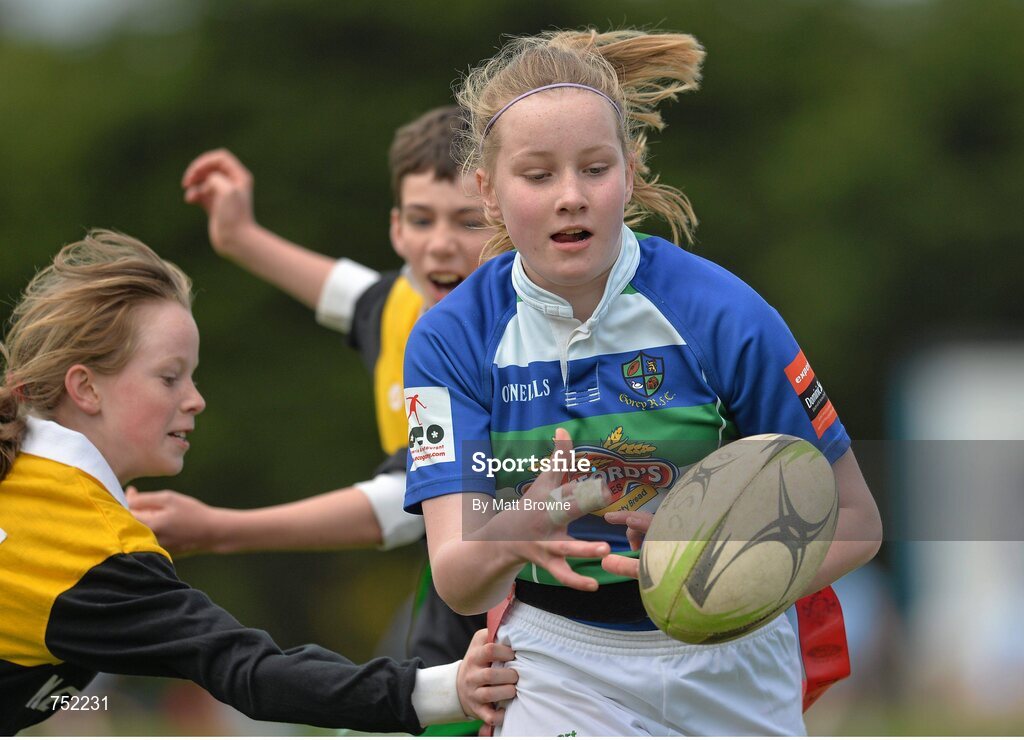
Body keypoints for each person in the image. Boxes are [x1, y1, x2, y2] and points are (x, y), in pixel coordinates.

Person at [402, 29, 883, 736]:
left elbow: (857, 523)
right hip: (558, 662)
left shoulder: (726, 315)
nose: (571, 196)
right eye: (538, 176)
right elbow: (456, 574)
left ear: (630, 171)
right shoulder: (450, 341)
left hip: (734, 664)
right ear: (489, 192)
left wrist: (719, 565)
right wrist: (519, 529)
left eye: (594, 168)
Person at [0, 230, 516, 735]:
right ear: (85, 387)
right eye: (169, 376)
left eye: (193, 376)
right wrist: (444, 689)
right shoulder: (96, 552)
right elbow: (251, 672)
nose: (195, 399)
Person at [127, 107, 489, 674]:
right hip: (460, 595)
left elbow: (404, 506)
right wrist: (239, 236)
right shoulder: (395, 304)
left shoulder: (506, 342)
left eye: (469, 222)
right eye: (422, 221)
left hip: (530, 592)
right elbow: (343, 289)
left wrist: (221, 530)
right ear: (396, 227)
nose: (440, 245)